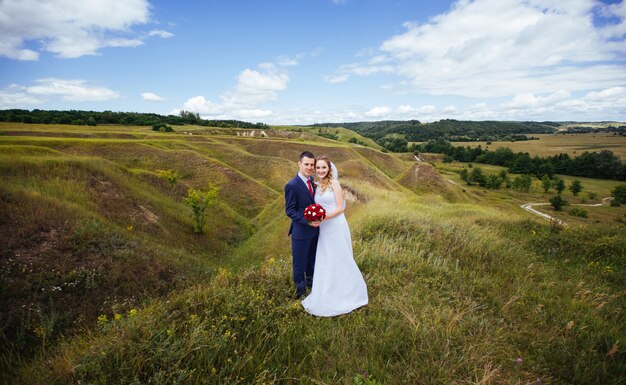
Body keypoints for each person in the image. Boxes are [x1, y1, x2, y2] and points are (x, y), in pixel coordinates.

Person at [302, 155, 368, 317]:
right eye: (318, 168)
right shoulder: (317, 185)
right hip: (324, 228)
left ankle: (349, 292)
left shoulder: (335, 184)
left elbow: (340, 208)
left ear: (329, 169)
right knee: (326, 258)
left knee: (340, 257)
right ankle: (327, 290)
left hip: (336, 226)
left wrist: (323, 218)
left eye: (324, 167)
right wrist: (315, 217)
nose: (320, 170)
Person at [284, 151, 320, 298]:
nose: (309, 167)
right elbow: (290, 210)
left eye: (312, 165)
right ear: (299, 164)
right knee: (299, 264)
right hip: (301, 232)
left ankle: (312, 285)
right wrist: (307, 221)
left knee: (312, 260)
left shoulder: (312, 181)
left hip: (316, 231)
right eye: (306, 164)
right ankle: (300, 293)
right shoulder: (291, 185)